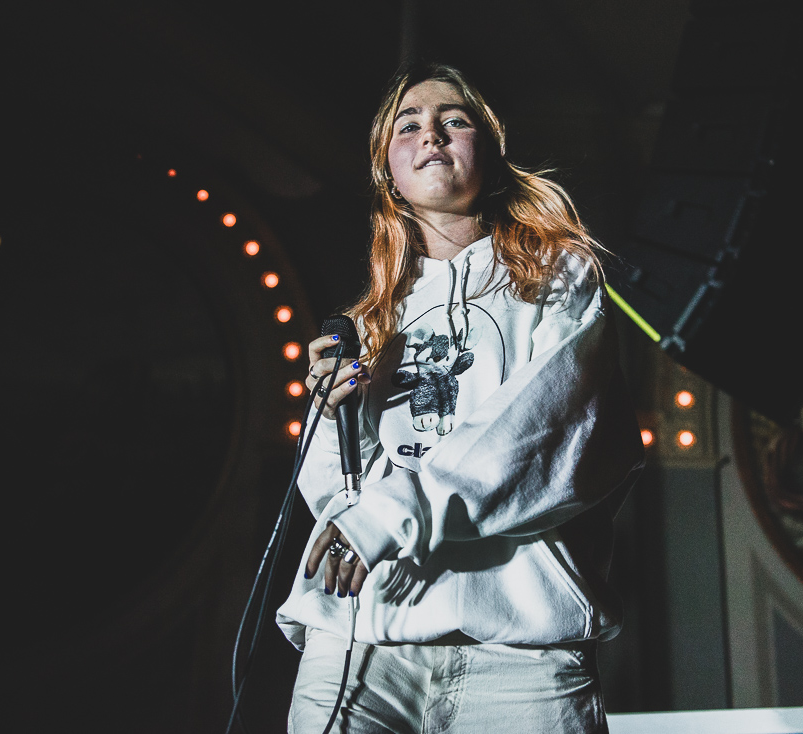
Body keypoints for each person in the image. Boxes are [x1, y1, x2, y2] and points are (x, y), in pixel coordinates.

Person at [276, 61, 643, 734]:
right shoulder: (367, 320)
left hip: (518, 652)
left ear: (492, 152)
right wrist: (334, 421)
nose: (431, 134)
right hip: (360, 644)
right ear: (388, 171)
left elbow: (545, 430)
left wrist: (395, 512)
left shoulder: (557, 279)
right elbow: (336, 501)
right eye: (408, 125)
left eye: (455, 120)